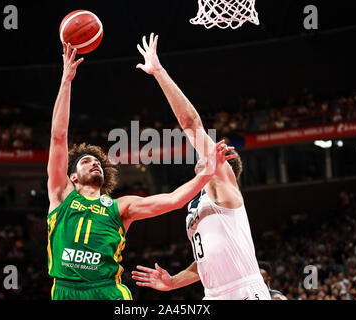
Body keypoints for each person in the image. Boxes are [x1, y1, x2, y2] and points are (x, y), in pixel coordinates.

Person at [46, 42, 237, 300]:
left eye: (98, 162)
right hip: (64, 290)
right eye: (86, 161)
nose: (95, 163)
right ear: (72, 177)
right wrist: (66, 81)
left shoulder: (121, 208)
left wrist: (205, 173)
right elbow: (58, 137)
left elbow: (173, 201)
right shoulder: (60, 196)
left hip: (108, 292)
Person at [131, 33, 270, 300]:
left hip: (243, 290)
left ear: (224, 164)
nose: (201, 153)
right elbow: (204, 262)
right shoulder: (197, 205)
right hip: (213, 293)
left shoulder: (223, 187)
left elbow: (191, 125)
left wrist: (159, 72)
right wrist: (172, 282)